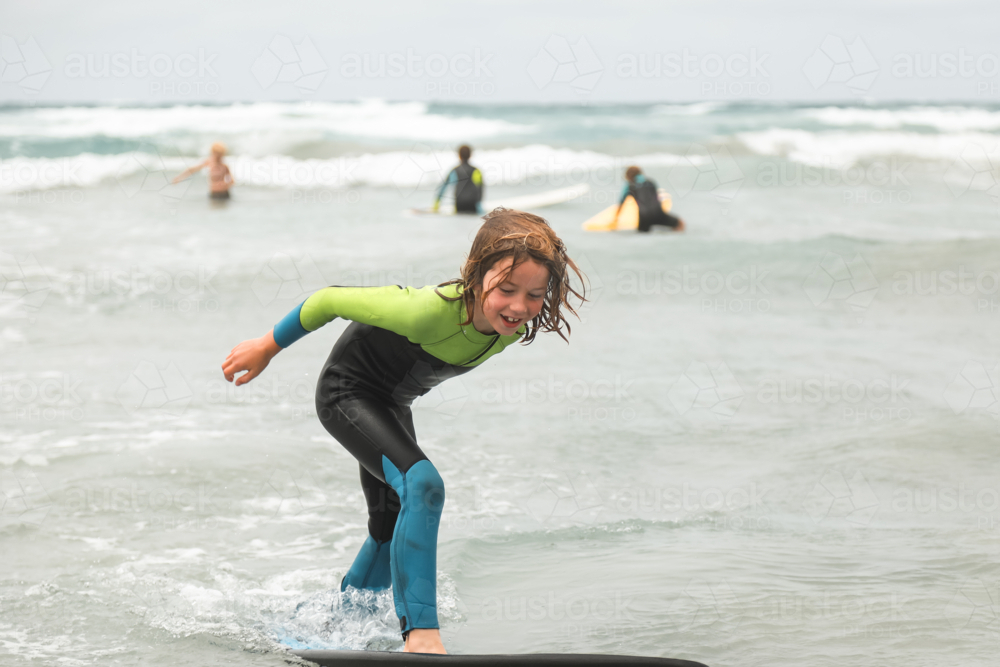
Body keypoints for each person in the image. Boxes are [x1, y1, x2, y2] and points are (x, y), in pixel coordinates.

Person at [221, 208, 585, 654]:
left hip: (389, 405)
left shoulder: (511, 329)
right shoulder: (426, 311)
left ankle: (343, 626)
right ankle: (421, 634)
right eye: (506, 289)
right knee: (423, 484)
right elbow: (328, 300)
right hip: (344, 396)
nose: (519, 306)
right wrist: (266, 346)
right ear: (475, 276)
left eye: (534, 294)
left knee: (389, 523)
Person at [618, 166, 685, 232]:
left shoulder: (629, 186)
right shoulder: (651, 182)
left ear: (628, 176)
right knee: (680, 223)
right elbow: (657, 200)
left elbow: (621, 203)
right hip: (658, 213)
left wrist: (616, 218)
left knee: (642, 235)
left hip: (644, 217)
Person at [432, 144, 483, 214]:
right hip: (472, 204)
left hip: (459, 204)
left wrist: (436, 206)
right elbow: (480, 189)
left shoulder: (454, 171)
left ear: (459, 155)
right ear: (470, 155)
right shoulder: (476, 171)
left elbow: (443, 187)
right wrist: (479, 207)